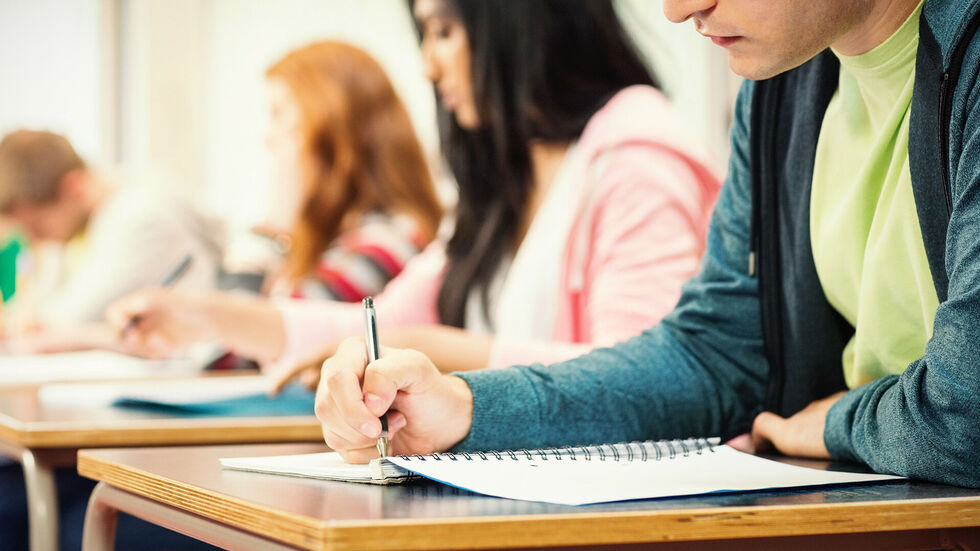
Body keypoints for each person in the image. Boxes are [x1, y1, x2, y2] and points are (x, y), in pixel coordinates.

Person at [308, 0, 980, 490]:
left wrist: (837, 422)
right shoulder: (781, 87)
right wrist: (467, 408)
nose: (677, 9)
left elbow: (968, 412)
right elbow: (714, 357)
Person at [108, 0, 721, 379]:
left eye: (445, 32)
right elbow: (384, 324)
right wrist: (204, 315)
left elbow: (642, 379)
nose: (428, 66)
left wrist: (429, 349)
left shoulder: (637, 159)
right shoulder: (504, 181)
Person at [0, 129, 223, 350]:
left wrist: (25, 325)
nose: (34, 240)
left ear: (73, 187)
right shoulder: (79, 229)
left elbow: (58, 322)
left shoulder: (139, 215)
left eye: (36, 227)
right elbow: (31, 316)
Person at [259, 41, 441, 302]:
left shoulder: (388, 243)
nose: (269, 137)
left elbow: (270, 324)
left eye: (278, 114)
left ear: (330, 126)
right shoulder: (342, 238)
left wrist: (272, 229)